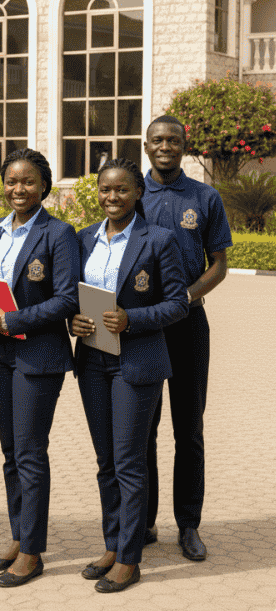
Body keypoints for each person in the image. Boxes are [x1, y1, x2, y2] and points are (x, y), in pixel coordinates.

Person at [72, 158, 188, 593]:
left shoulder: (159, 240)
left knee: (129, 462)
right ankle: (113, 543)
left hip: (135, 364)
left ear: (137, 193)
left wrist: (131, 318)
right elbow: (72, 297)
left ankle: (129, 558)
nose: (112, 197)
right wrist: (73, 324)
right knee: (106, 462)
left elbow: (178, 303)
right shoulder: (83, 239)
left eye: (121, 190)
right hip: (92, 361)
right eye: (105, 189)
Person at [0, 149, 79, 587]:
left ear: (44, 186)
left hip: (38, 357)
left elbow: (67, 299)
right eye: (12, 182)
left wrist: (13, 320)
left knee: (30, 453)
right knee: (11, 454)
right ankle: (19, 535)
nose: (19, 189)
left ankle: (32, 552)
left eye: (28, 182)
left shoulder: (58, 233)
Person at [142, 115, 232, 560]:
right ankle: (144, 522)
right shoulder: (132, 195)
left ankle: (189, 525)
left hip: (188, 327)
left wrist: (185, 299)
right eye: (157, 140)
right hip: (141, 330)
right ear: (146, 145)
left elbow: (219, 264)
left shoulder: (204, 196)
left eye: (173, 140)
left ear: (183, 145)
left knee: (188, 431)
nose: (165, 146)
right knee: (143, 430)